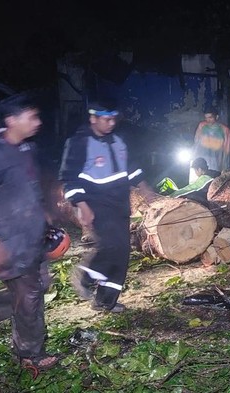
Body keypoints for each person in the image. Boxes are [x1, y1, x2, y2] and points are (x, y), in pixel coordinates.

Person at [0, 92, 59, 371]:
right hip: (9, 240)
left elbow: (30, 185)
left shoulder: (26, 149)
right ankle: (30, 355)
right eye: (31, 117)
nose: (38, 122)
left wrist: (43, 212)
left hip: (30, 235)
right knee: (30, 295)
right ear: (11, 120)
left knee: (39, 286)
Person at [59, 102, 156, 313]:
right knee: (110, 245)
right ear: (93, 118)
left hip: (120, 204)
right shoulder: (79, 143)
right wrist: (82, 206)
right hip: (96, 203)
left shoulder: (118, 142)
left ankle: (105, 301)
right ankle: (85, 275)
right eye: (106, 119)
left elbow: (130, 168)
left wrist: (145, 188)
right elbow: (68, 179)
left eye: (114, 119)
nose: (111, 124)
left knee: (122, 253)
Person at [191, 107, 230, 181]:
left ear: (217, 117)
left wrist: (225, 167)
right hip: (202, 160)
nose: (208, 120)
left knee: (212, 181)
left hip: (216, 162)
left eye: (210, 118)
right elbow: (196, 142)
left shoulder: (225, 129)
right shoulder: (202, 125)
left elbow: (227, 150)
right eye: (206, 118)